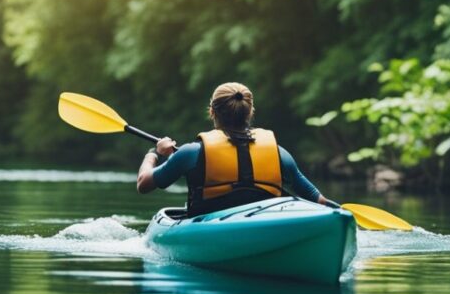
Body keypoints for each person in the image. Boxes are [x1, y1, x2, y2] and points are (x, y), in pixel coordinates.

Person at [136, 82, 336, 216]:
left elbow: (143, 184)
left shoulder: (190, 153)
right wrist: (340, 214)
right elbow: (318, 200)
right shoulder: (279, 154)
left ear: (212, 112)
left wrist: (154, 154)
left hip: (210, 228)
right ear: (250, 112)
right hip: (265, 226)